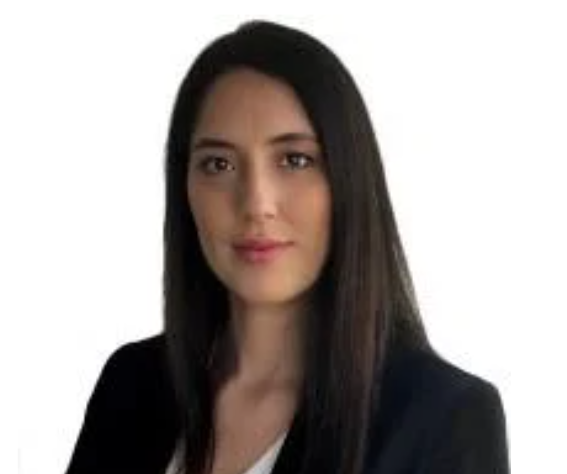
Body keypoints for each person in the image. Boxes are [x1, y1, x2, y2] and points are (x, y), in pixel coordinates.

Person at [65, 20, 510, 474]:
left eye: (295, 160)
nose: (257, 204)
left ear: (348, 180)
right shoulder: (132, 384)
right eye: (218, 164)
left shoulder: (441, 417)